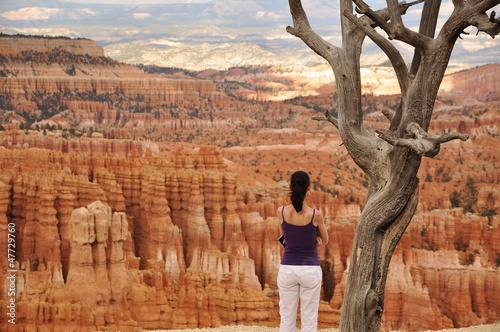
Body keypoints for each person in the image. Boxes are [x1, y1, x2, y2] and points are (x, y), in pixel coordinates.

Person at [277, 170, 329, 332]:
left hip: (287, 269)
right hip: (310, 269)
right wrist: (314, 238)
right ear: (309, 188)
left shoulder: (282, 212)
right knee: (309, 319)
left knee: (286, 318)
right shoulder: (315, 215)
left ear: (291, 186)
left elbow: (285, 236)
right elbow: (325, 240)